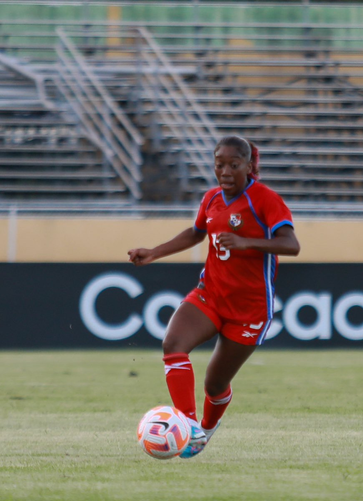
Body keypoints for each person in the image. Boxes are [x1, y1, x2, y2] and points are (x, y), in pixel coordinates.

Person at [128, 136, 300, 458]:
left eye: (234, 165)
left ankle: (206, 428)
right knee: (173, 344)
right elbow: (197, 232)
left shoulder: (264, 199)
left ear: (249, 166)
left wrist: (247, 243)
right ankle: (188, 427)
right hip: (211, 294)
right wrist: (154, 252)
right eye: (220, 165)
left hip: (249, 310)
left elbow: (291, 245)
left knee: (215, 385)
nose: (225, 172)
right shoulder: (211, 198)